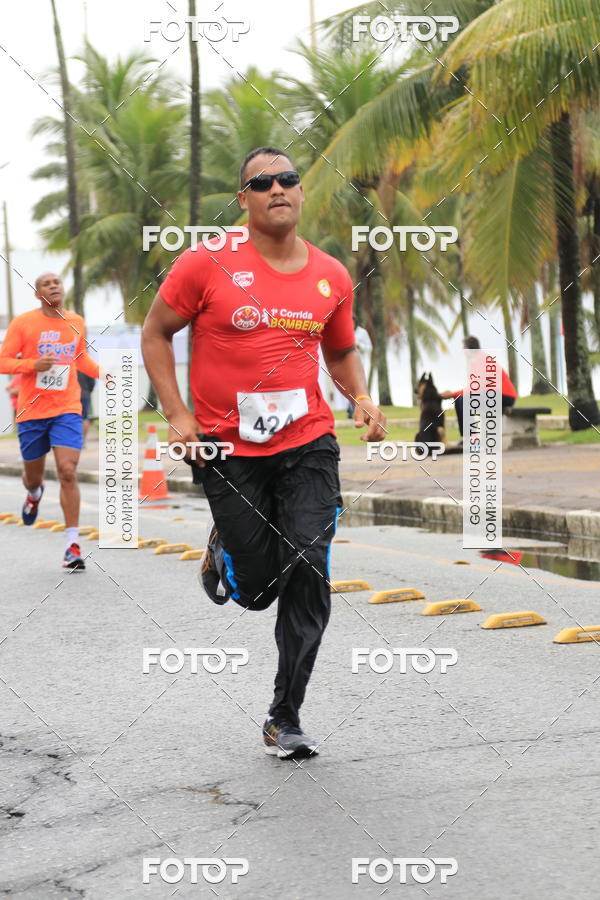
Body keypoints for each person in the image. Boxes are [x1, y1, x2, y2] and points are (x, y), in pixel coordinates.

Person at [142, 146, 387, 759]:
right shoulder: (207, 262)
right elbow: (156, 333)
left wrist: (358, 395)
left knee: (309, 566)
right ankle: (227, 548)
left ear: (302, 194)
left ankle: (286, 715)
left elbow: (338, 350)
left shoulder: (330, 273)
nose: (278, 188)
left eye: (288, 179)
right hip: (225, 447)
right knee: (255, 592)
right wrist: (177, 414)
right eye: (262, 182)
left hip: (309, 441)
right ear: (245, 198)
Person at [0, 273, 99, 569]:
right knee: (33, 475)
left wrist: (103, 373)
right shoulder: (23, 323)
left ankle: (72, 545)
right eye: (46, 283)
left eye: (57, 282)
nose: (54, 286)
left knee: (67, 471)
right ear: (37, 293)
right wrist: (32, 364)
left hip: (67, 407)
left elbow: (80, 358)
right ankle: (34, 492)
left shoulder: (76, 321)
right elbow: (4, 360)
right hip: (32, 411)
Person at [441, 335, 517, 439]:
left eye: (464, 348)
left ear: (469, 349)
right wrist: (454, 395)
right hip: (496, 395)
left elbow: (475, 388)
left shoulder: (482, 360)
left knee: (464, 400)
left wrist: (452, 393)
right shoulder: (477, 360)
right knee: (460, 399)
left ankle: (472, 439)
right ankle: (468, 438)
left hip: (504, 397)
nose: (463, 351)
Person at [346, 313, 373, 418]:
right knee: (350, 387)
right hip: (348, 364)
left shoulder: (362, 333)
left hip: (360, 364)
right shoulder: (345, 332)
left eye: (352, 320)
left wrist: (359, 346)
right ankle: (351, 408)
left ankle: (355, 409)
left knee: (359, 387)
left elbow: (369, 348)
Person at [77, 370, 96, 447]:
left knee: (72, 417)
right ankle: (83, 442)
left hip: (72, 396)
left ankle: (75, 441)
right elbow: (92, 382)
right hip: (85, 395)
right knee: (84, 418)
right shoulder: (86, 366)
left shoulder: (69, 363)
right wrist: (88, 391)